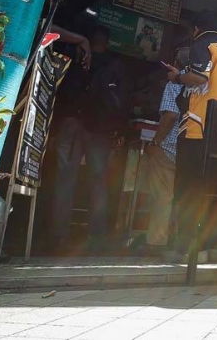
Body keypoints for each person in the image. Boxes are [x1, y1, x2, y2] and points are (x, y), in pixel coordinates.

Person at [167, 11, 217, 254]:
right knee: (212, 189)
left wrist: (177, 76)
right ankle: (209, 248)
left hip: (197, 129)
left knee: (188, 188)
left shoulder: (202, 44)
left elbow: (198, 78)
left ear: (196, 29)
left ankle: (184, 247)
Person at [51, 25, 127, 253]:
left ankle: (57, 236)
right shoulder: (115, 66)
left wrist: (55, 127)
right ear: (107, 42)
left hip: (71, 124)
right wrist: (118, 131)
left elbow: (60, 92)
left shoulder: (74, 60)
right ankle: (97, 237)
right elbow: (122, 100)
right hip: (99, 130)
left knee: (65, 179)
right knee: (98, 182)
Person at [140, 47, 189, 256]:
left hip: (169, 148)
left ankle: (156, 243)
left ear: (176, 65)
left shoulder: (174, 85)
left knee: (162, 195)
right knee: (182, 197)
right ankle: (180, 242)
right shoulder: (201, 87)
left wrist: (155, 143)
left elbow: (170, 116)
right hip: (190, 152)